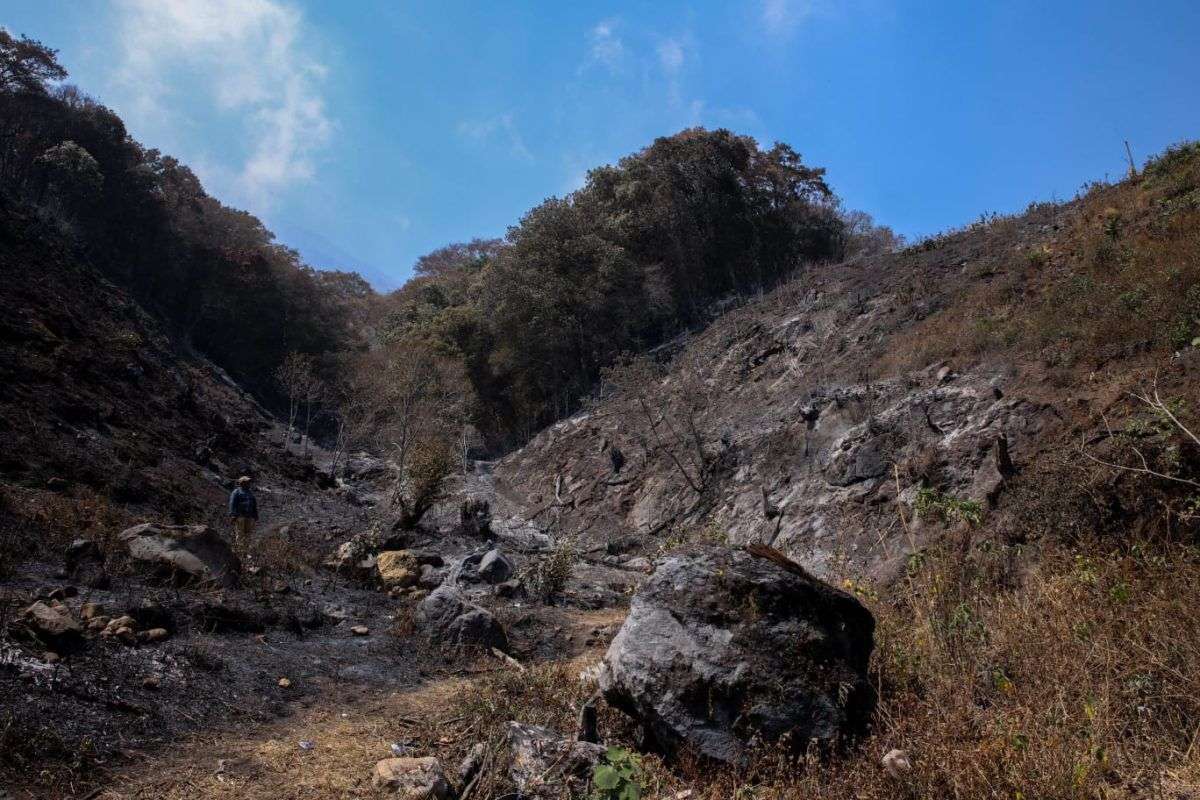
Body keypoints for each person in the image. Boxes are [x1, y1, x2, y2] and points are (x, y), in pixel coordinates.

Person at [228, 476, 258, 549]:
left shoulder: (250, 493)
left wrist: (255, 514)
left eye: (249, 482)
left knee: (248, 534)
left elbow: (254, 504)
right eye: (247, 482)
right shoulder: (237, 492)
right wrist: (233, 514)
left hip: (249, 516)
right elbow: (232, 503)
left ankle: (246, 550)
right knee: (240, 533)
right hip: (239, 516)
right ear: (242, 483)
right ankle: (240, 551)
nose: (249, 483)